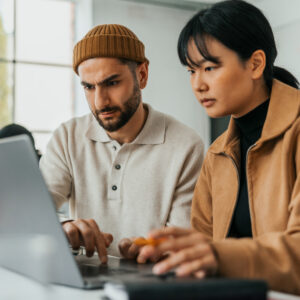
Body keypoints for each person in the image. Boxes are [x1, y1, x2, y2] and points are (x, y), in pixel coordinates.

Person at [138, 0, 300, 295]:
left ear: (255, 64)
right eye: (191, 71)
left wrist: (218, 256)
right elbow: (203, 244)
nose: (198, 84)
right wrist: (157, 252)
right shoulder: (218, 153)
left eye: (210, 67)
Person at [39, 24, 204, 262]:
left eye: (112, 83)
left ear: (142, 75)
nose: (100, 101)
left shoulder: (186, 146)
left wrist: (155, 249)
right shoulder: (66, 137)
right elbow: (34, 214)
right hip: (84, 282)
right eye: (89, 87)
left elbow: (183, 241)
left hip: (153, 283)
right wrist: (63, 226)